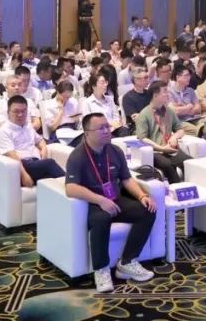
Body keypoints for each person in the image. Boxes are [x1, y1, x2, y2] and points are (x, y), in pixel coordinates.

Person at [65, 112, 157, 293]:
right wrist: (100, 200)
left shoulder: (115, 151)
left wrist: (141, 196)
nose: (107, 130)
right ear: (87, 133)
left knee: (147, 211)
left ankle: (127, 262)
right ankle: (101, 269)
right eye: (101, 128)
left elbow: (126, 179)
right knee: (101, 219)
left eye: (107, 126)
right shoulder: (78, 156)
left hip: (115, 198)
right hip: (93, 203)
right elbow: (71, 188)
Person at [0, 95, 66, 187]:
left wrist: (44, 149)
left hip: (35, 163)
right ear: (8, 113)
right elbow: (12, 156)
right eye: (16, 111)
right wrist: (24, 175)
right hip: (22, 165)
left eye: (23, 111)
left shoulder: (28, 126)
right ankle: (71, 187)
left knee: (51, 181)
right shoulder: (4, 131)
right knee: (50, 163)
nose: (20, 115)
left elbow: (39, 140)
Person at [133, 81, 190, 183]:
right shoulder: (144, 114)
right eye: (165, 91)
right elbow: (142, 139)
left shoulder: (169, 111)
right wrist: (162, 148)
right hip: (155, 151)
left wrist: (174, 137)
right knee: (168, 165)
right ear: (155, 95)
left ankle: (191, 187)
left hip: (170, 149)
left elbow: (180, 130)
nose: (168, 94)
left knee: (189, 162)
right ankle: (176, 189)